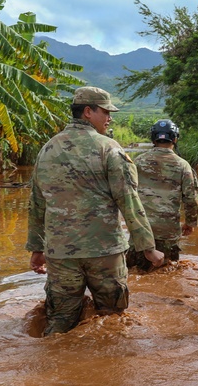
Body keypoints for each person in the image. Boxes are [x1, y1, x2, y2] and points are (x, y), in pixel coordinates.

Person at [26, 86, 163, 335]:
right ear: (88, 112)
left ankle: (53, 370)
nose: (110, 117)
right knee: (112, 321)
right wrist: (148, 247)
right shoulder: (109, 148)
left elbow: (37, 203)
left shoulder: (47, 150)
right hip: (104, 251)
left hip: (61, 253)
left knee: (60, 323)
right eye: (106, 111)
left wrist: (37, 249)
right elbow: (128, 200)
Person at [126, 119, 198, 272]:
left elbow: (126, 193)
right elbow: (192, 198)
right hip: (167, 232)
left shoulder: (138, 162)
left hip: (140, 231)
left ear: (153, 139)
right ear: (175, 139)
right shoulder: (182, 165)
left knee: (134, 272)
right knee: (166, 274)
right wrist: (190, 223)